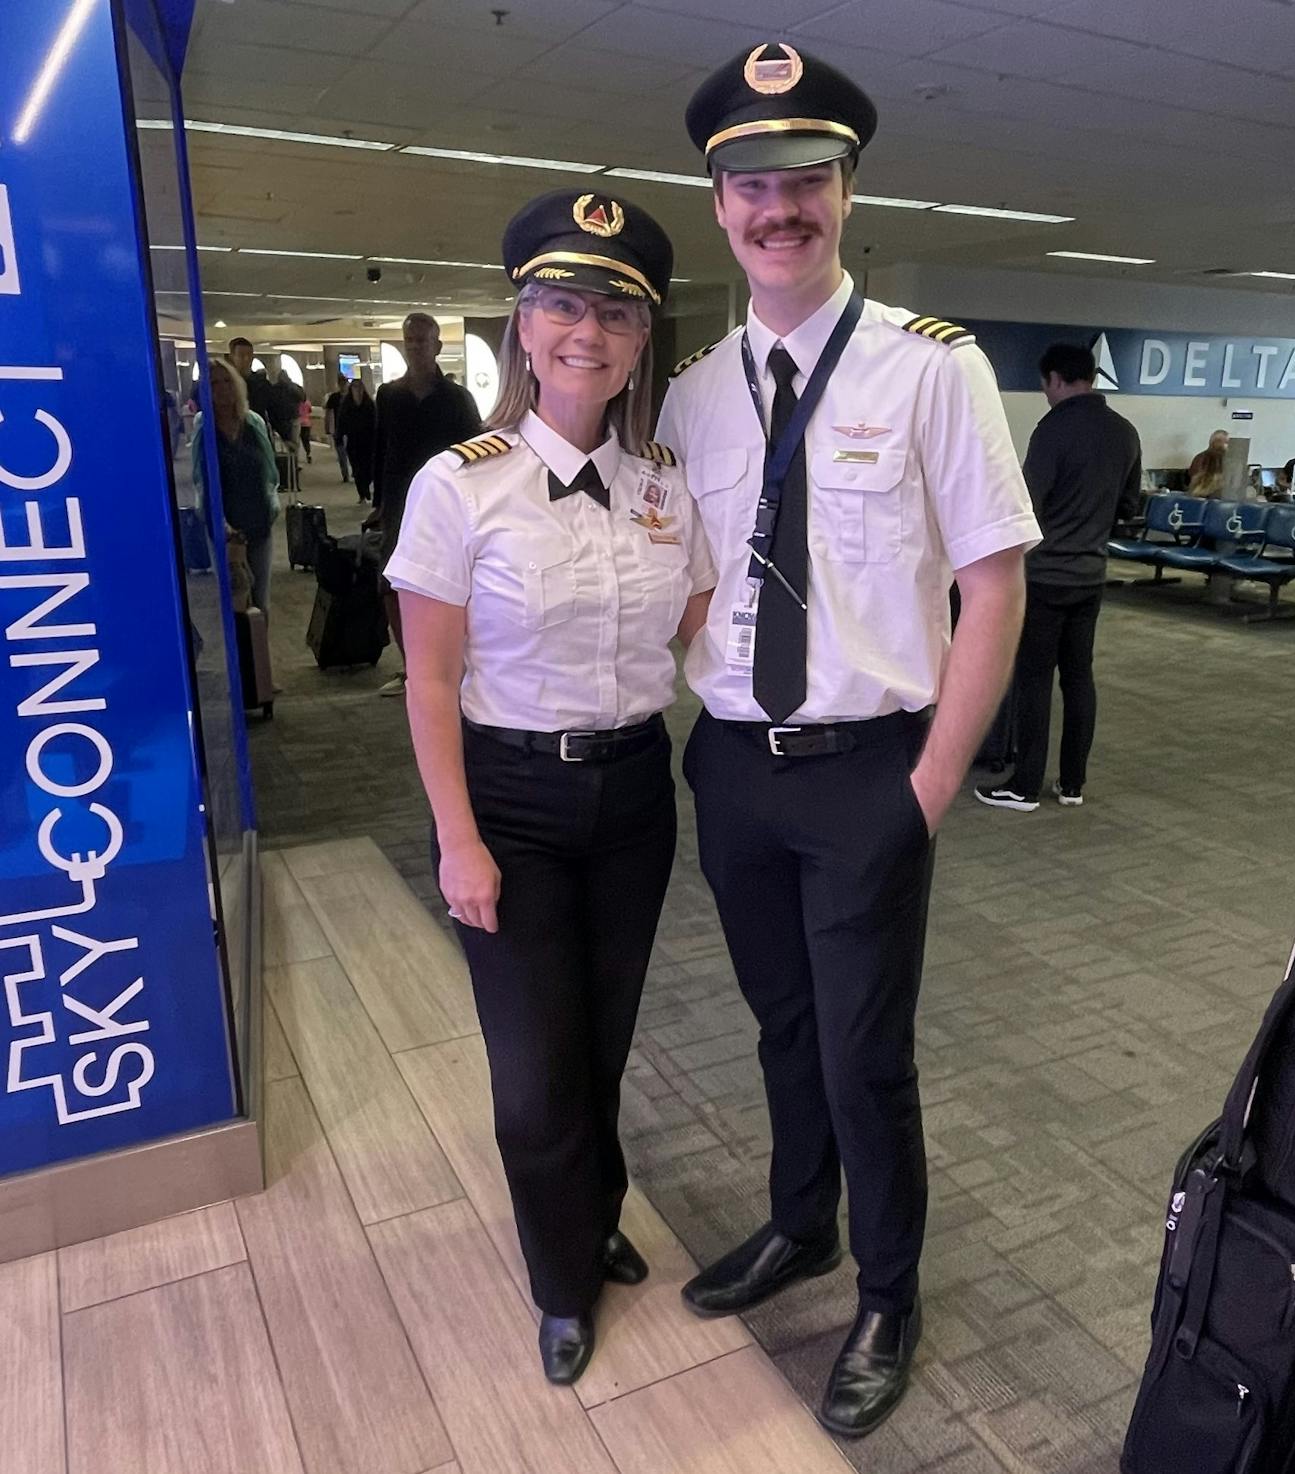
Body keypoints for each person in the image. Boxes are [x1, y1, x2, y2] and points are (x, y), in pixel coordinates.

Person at [657, 44, 1039, 1438]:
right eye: (752, 185)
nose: (780, 207)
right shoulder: (697, 390)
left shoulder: (936, 370)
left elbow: (995, 586)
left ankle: (889, 1286)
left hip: (874, 768)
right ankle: (798, 1222)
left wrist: (934, 780)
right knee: (780, 1024)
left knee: (866, 1048)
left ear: (847, 191)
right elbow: (697, 579)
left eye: (805, 180)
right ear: (718, 205)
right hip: (736, 766)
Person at [385, 190, 715, 1387]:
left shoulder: (669, 485)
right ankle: (558, 1281)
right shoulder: (456, 487)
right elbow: (427, 681)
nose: (588, 331)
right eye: (563, 304)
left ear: (641, 339)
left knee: (603, 1045)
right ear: (522, 324)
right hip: (509, 800)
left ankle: (591, 1217)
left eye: (615, 312)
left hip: (632, 797)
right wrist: (454, 839)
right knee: (532, 1080)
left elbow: (697, 624)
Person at [975, 343, 1141, 813]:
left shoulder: (1052, 431)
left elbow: (1026, 507)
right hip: (1092, 576)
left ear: (1055, 379)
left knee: (1033, 681)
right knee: (1079, 678)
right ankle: (1072, 784)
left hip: (1046, 577)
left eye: (1045, 384)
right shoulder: (1125, 432)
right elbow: (1130, 507)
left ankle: (1024, 785)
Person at [369, 313, 480, 697]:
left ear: (437, 346)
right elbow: (382, 448)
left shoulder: (457, 398)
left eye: (422, 340)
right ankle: (411, 666)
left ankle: (455, 662)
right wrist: (379, 501)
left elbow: (474, 454)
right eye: (409, 340)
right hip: (401, 501)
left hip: (447, 503)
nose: (414, 347)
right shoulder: (389, 395)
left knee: (450, 583)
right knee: (394, 583)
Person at [192, 357, 280, 615]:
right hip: (225, 529)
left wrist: (271, 507)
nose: (222, 388)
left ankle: (260, 655)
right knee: (235, 604)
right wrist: (221, 524)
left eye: (227, 381)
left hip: (259, 523)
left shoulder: (253, 425)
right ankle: (242, 655)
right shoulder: (204, 428)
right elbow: (202, 481)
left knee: (260, 603)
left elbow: (268, 472)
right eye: (214, 383)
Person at [338, 376, 376, 503]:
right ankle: (362, 493)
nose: (357, 391)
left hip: (368, 441)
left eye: (359, 387)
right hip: (353, 441)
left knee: (368, 467)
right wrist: (339, 437)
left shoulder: (369, 404)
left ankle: (366, 487)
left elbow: (376, 421)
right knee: (357, 468)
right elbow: (341, 421)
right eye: (354, 388)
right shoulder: (346, 405)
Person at [227, 336, 272, 426]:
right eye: (241, 355)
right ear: (232, 357)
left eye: (249, 355)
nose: (246, 359)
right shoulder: (225, 383)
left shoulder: (261, 384)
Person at [269, 369, 303, 457]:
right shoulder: (294, 387)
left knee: (284, 441)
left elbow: (271, 404)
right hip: (293, 417)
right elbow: (302, 397)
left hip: (279, 419)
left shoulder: (274, 389)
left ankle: (289, 461)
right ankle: (294, 461)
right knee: (294, 441)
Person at [324, 376, 351, 483]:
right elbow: (329, 413)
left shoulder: (349, 397)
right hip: (338, 429)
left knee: (349, 452)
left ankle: (351, 472)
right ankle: (345, 474)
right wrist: (328, 427)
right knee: (341, 453)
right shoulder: (334, 397)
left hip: (350, 430)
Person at [297, 392, 313, 464]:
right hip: (307, 423)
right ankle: (308, 453)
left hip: (299, 423)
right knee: (306, 440)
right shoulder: (308, 403)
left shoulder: (297, 403)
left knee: (298, 440)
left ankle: (297, 456)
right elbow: (310, 411)